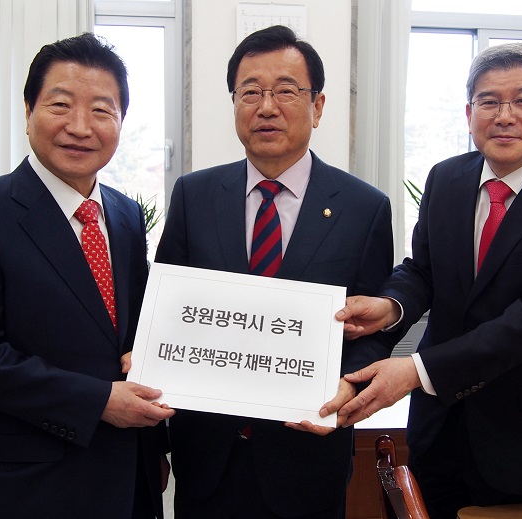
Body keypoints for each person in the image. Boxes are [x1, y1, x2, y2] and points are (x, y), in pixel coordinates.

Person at [331, 43, 522, 518]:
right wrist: (391, 306)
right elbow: (423, 269)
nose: (504, 116)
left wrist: (415, 371)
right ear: (470, 113)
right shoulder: (446, 179)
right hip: (439, 426)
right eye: (489, 101)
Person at [0, 33, 175, 518]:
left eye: (101, 110)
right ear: (28, 111)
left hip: (132, 479)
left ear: (121, 121)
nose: (80, 127)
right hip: (34, 486)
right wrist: (97, 401)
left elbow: (130, 336)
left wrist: (157, 444)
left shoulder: (125, 216)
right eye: (60, 105)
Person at [154, 25, 396, 519]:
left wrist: (349, 385)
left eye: (286, 91)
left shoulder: (364, 207)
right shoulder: (194, 196)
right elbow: (166, 311)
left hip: (308, 457)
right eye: (250, 92)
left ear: (318, 106)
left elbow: (372, 329)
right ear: (235, 104)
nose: (266, 107)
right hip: (207, 458)